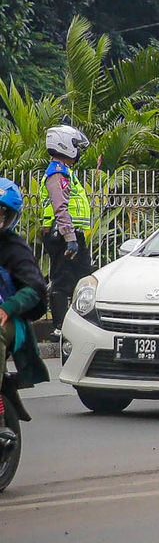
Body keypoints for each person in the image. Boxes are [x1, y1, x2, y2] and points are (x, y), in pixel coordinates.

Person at [0, 178, 49, 447]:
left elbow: (35, 289)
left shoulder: (13, 248)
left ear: (8, 218)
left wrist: (8, 308)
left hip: (11, 323)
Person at [41, 125, 93, 340]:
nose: (78, 152)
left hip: (71, 235)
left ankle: (81, 324)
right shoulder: (57, 173)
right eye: (76, 146)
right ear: (65, 145)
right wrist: (70, 238)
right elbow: (60, 208)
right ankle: (60, 328)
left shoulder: (65, 171)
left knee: (84, 279)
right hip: (63, 236)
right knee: (62, 281)